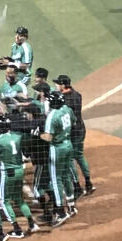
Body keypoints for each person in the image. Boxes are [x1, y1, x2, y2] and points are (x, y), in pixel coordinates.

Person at [0, 116, 39, 236]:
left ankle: (16, 228)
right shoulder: (17, 136)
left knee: (4, 201)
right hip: (20, 171)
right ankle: (32, 223)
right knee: (19, 199)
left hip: (7, 173)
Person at [53, 75, 95, 197]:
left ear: (63, 85)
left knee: (70, 159)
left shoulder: (65, 101)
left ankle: (77, 187)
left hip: (73, 132)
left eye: (57, 84)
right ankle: (88, 183)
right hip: (81, 129)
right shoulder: (77, 94)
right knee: (80, 156)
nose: (56, 86)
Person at [41, 91, 75, 227]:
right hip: (68, 145)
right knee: (66, 175)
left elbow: (48, 138)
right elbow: (74, 122)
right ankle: (71, 206)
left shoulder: (52, 116)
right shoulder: (67, 109)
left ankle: (61, 211)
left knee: (56, 179)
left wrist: (38, 134)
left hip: (57, 148)